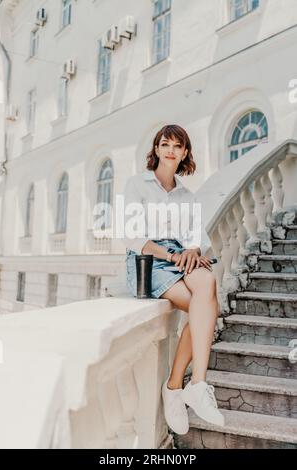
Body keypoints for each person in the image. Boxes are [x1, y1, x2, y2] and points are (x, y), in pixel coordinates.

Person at [123, 124, 225, 435]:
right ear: (155, 149)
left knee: (207, 284)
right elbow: (131, 236)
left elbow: (195, 237)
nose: (170, 150)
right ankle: (175, 386)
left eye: (177, 146)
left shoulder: (187, 195)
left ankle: (195, 383)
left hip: (181, 254)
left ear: (184, 153)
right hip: (149, 259)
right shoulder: (137, 185)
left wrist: (193, 250)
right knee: (204, 306)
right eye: (165, 144)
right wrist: (171, 256)